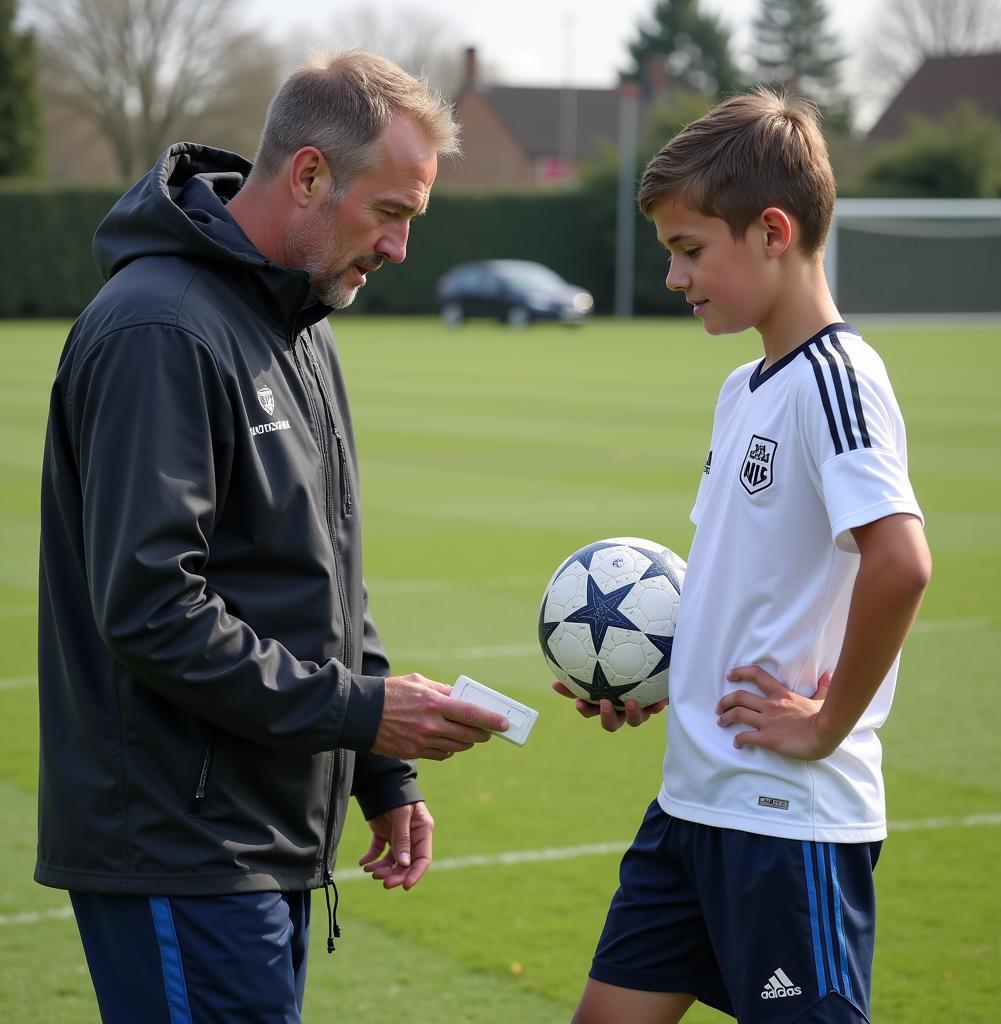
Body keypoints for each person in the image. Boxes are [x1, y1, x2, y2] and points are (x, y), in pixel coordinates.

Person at [36, 50, 510, 1024]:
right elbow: (153, 608)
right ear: (308, 176)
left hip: (262, 840)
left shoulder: (300, 326)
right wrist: (358, 713)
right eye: (392, 213)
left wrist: (381, 769)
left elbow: (326, 574)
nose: (401, 250)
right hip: (180, 844)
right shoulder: (158, 330)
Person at [555, 87, 932, 1024]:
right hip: (691, 802)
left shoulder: (839, 380)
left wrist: (824, 723)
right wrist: (659, 678)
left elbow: (901, 562)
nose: (677, 278)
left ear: (772, 230)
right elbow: (744, 579)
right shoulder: (744, 388)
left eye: (690, 251)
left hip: (785, 816)